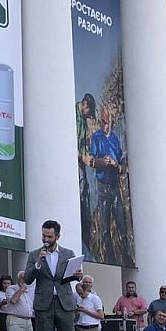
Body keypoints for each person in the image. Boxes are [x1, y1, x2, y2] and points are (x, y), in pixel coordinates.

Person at [25, 219, 84, 331]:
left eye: (49, 236)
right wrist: (38, 264)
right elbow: (27, 279)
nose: (45, 239)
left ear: (57, 236)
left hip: (64, 304)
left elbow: (70, 277)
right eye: (43, 235)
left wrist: (77, 276)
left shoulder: (68, 253)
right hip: (44, 305)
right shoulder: (34, 254)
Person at [89, 106, 132, 265]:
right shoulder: (96, 137)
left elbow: (123, 167)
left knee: (122, 224)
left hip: (114, 187)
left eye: (106, 122)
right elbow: (92, 161)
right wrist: (102, 162)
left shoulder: (115, 139)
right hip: (102, 187)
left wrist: (115, 165)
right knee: (105, 227)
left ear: (111, 122)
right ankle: (110, 259)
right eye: (102, 122)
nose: (104, 125)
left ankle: (126, 255)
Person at [76, 94, 96, 257]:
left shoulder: (82, 120)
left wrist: (87, 157)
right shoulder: (72, 115)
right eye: (89, 112)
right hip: (73, 165)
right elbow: (68, 141)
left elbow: (82, 145)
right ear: (85, 105)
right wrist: (82, 157)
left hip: (80, 164)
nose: (89, 116)